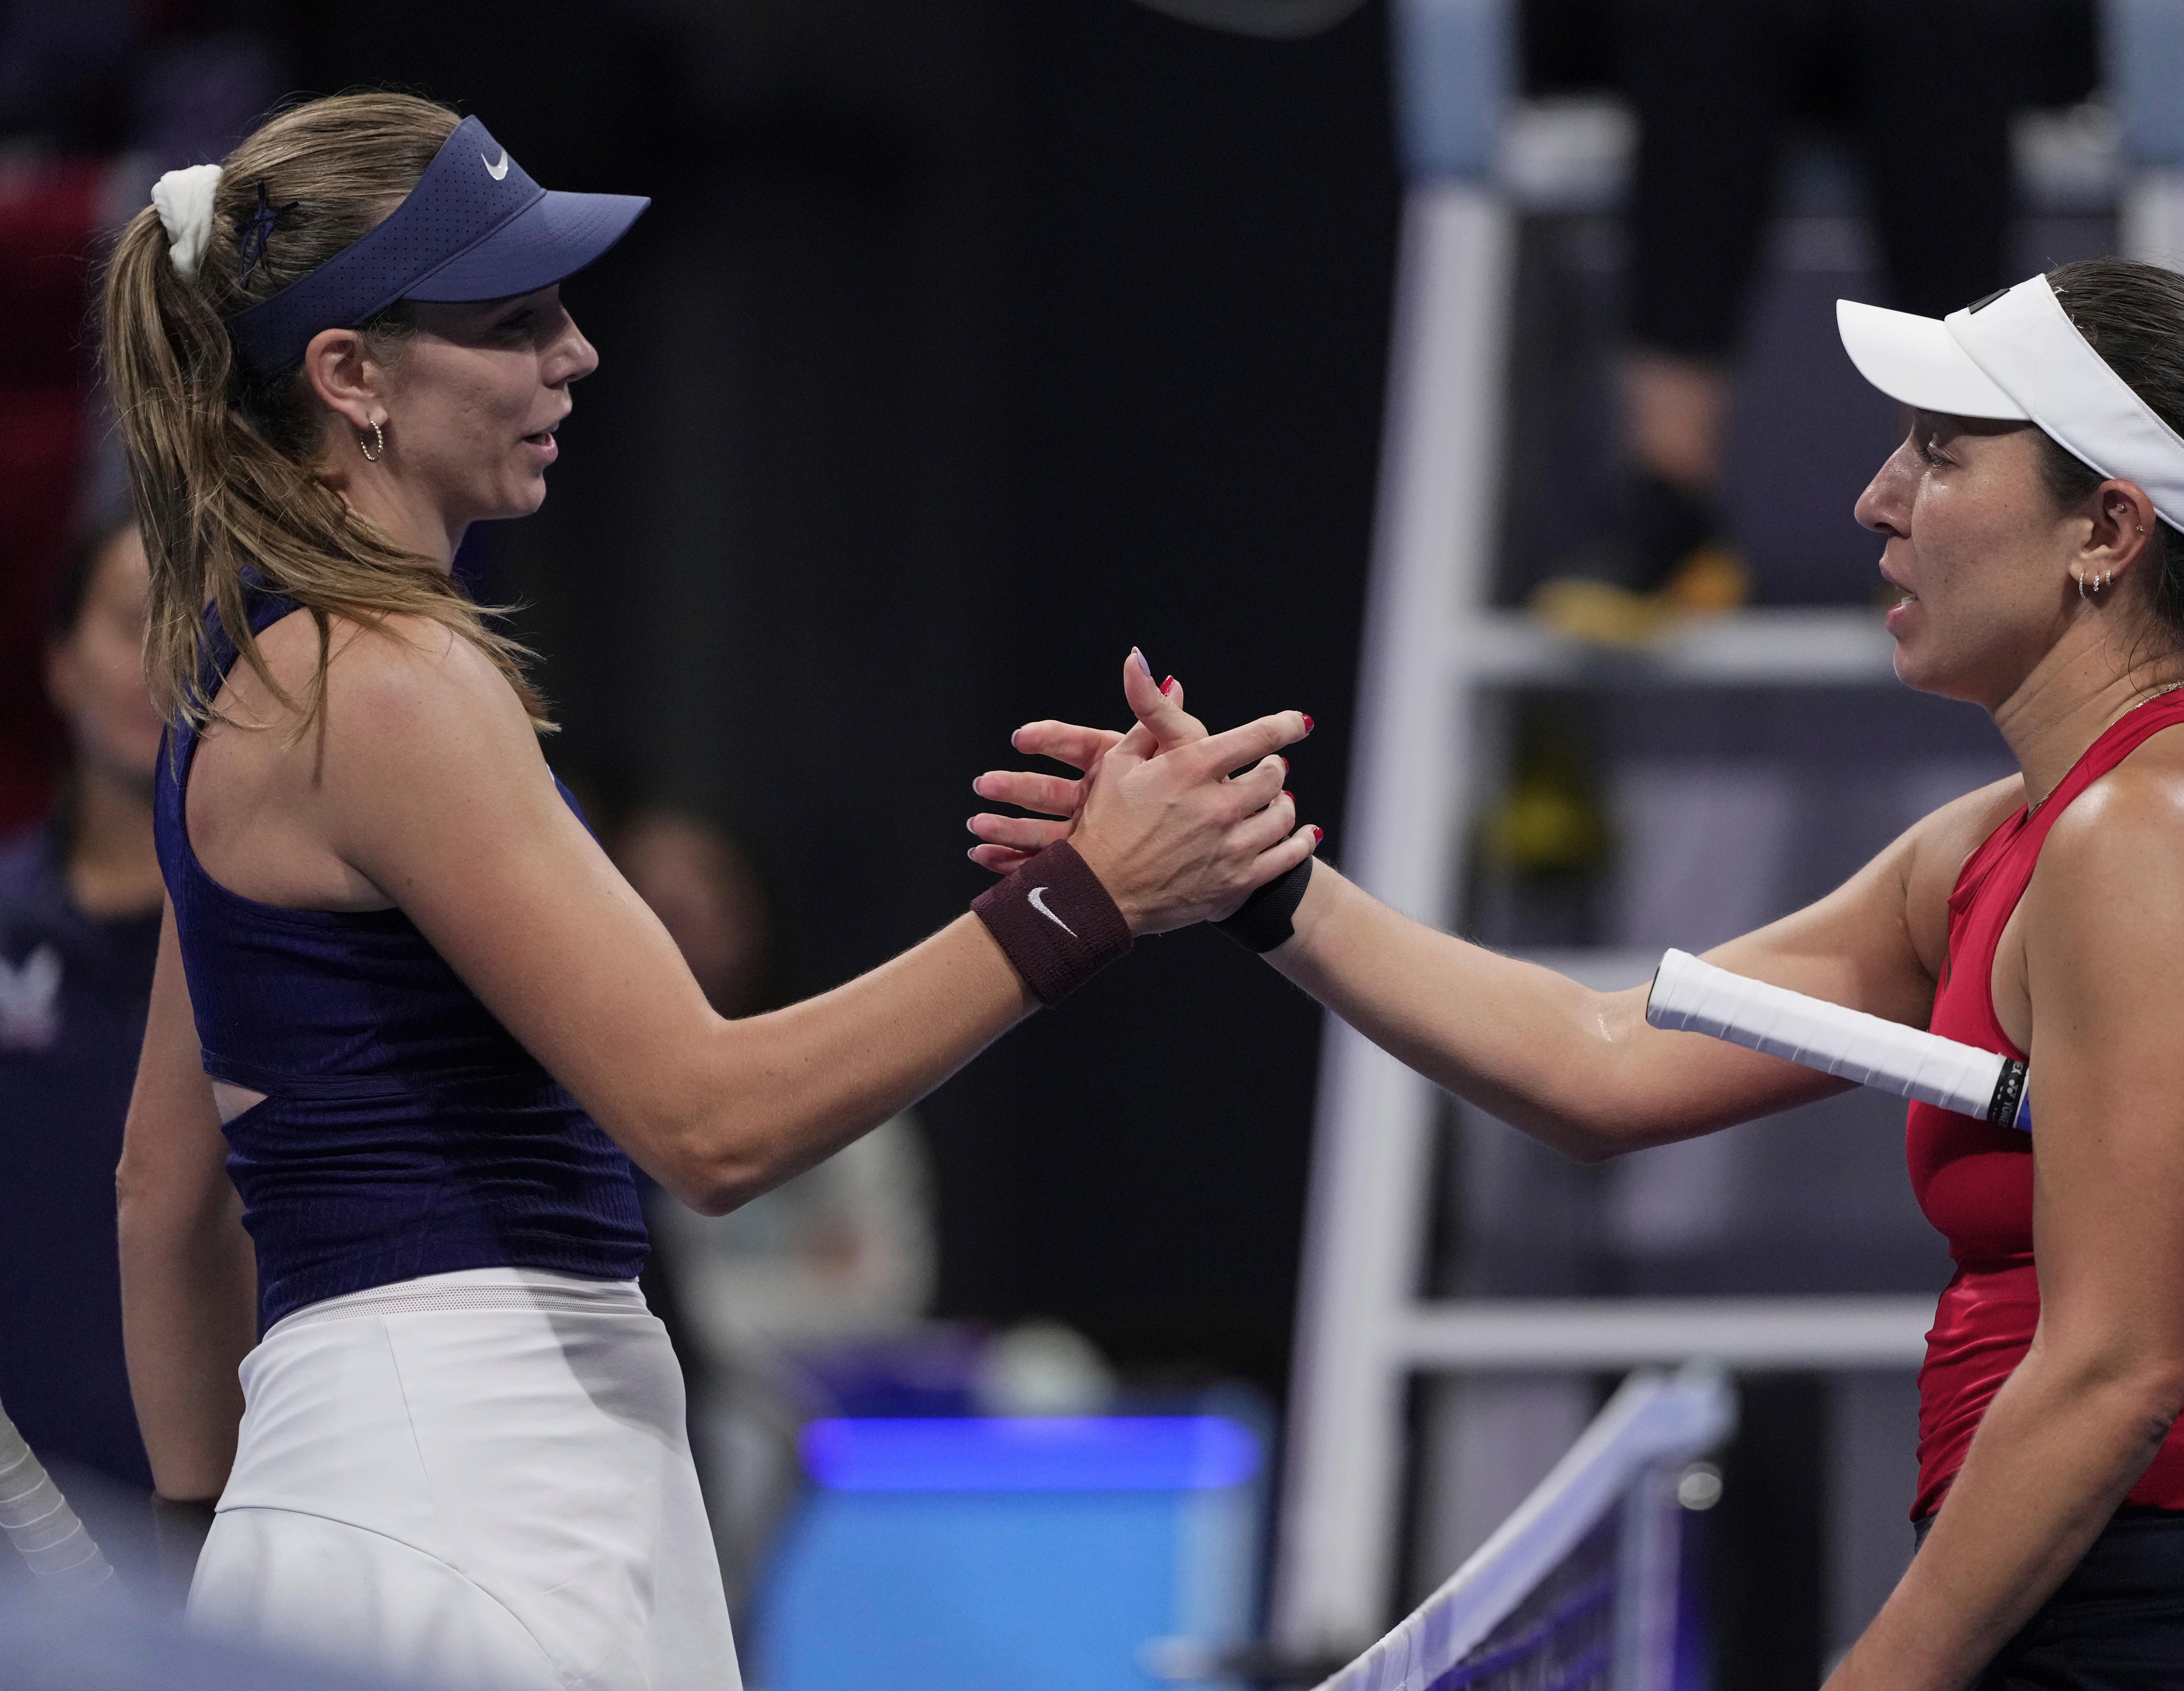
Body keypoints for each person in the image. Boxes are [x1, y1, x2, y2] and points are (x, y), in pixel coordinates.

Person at [973, 258, 2184, 1687]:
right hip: (2065, 1617)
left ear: (2106, 532)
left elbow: (2114, 1372)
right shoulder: (2003, 844)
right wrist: (1264, 880)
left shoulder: (2159, 833)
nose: (1875, 498)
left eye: (1939, 455)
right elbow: (1602, 1056)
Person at [104, 92, 1315, 1689]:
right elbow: (711, 1124)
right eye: (516, 317)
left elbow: (159, 1190)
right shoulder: (388, 681)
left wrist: (220, 1538)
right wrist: (1085, 899)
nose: (578, 352)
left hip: (394, 1490)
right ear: (352, 376)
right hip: (473, 1499)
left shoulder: (260, 681)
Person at [0, 518, 164, 1541]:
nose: (170, 663)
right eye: (139, 622)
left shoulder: (304, 948)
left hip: (239, 1527)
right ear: (61, 665)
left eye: (207, 627)